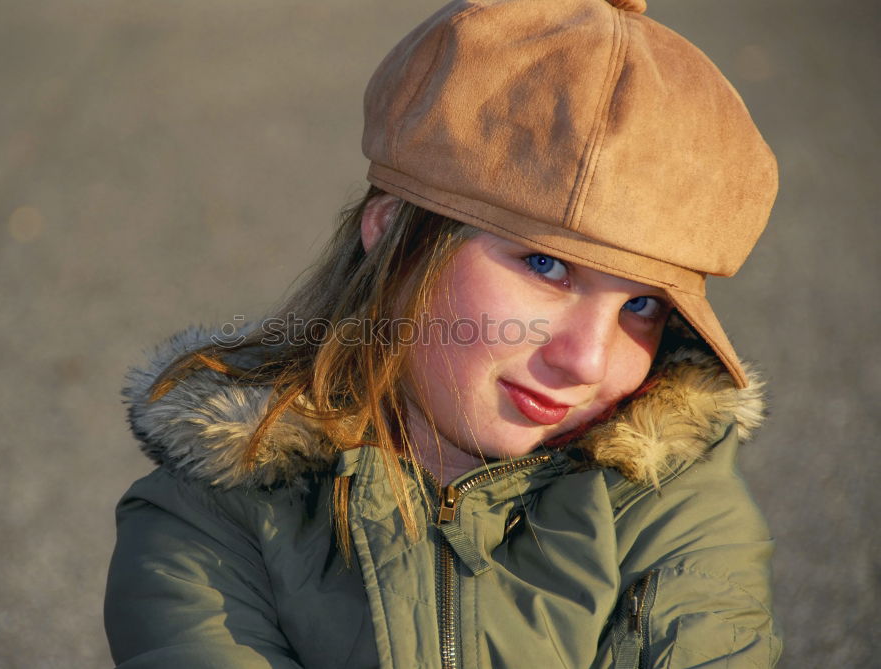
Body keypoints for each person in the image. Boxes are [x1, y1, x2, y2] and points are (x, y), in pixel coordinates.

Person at [105, 0, 781, 666]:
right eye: (546, 265)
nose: (587, 359)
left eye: (643, 305)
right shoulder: (210, 510)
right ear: (392, 228)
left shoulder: (669, 496)